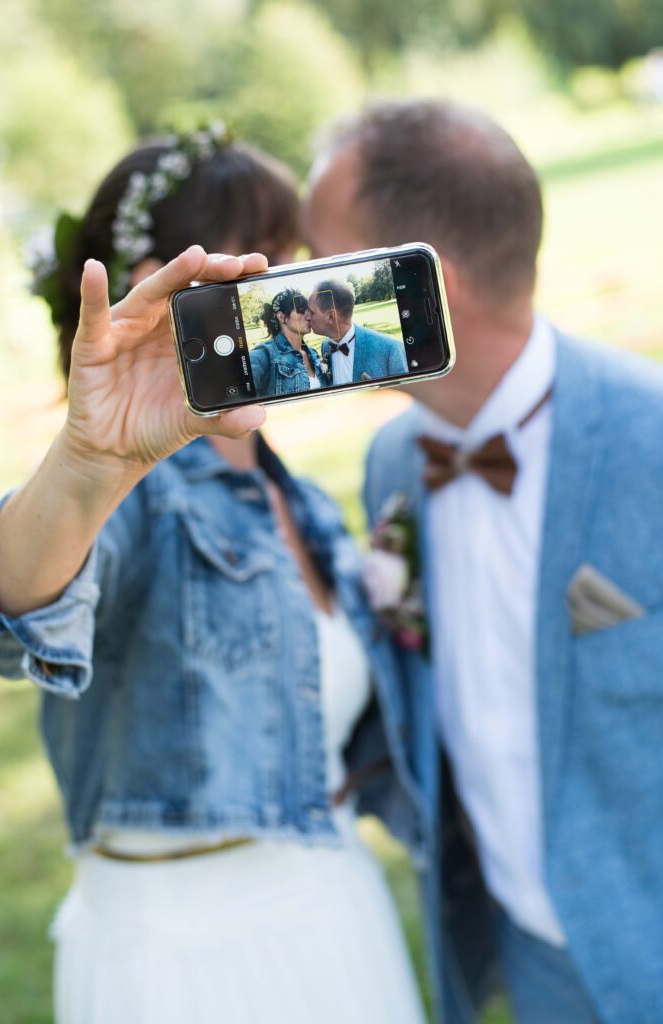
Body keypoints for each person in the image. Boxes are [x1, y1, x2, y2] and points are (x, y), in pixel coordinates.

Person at [0, 129, 427, 1024]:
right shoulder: (131, 490)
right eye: (267, 264)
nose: (299, 290)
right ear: (172, 288)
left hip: (334, 909)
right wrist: (89, 462)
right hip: (187, 957)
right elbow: (10, 612)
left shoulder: (283, 488)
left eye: (299, 261)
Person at [304, 99, 663, 1024]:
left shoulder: (651, 441)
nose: (297, 293)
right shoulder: (392, 465)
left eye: (322, 261)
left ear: (429, 290)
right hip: (524, 954)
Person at [307, 278, 407, 384]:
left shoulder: (391, 350)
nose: (307, 317)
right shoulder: (325, 345)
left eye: (312, 312)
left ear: (331, 317)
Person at [249, 286, 327, 395]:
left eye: (308, 311)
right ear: (281, 317)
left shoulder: (313, 354)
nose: (309, 317)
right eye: (301, 311)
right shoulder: (266, 354)